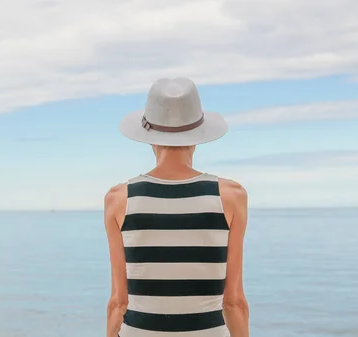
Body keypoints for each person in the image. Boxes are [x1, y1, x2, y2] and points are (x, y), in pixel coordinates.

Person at [104, 78, 249, 337]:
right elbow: (233, 301)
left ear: (149, 138)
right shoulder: (231, 195)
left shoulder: (118, 198)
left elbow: (119, 302)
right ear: (197, 137)